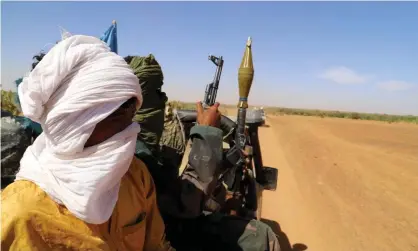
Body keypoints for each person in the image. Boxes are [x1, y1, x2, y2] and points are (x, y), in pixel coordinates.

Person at [1, 35, 175, 250]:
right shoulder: (19, 214)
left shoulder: (136, 175)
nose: (131, 129)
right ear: (71, 124)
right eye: (117, 115)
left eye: (132, 111)